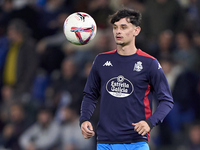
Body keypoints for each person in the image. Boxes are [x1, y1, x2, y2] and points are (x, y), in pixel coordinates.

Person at [79, 8, 174, 150]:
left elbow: (167, 100)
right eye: (115, 27)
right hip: (105, 142)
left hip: (135, 142)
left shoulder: (149, 63)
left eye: (124, 27)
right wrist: (84, 119)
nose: (118, 31)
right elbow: (90, 95)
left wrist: (150, 123)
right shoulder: (101, 60)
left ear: (136, 31)